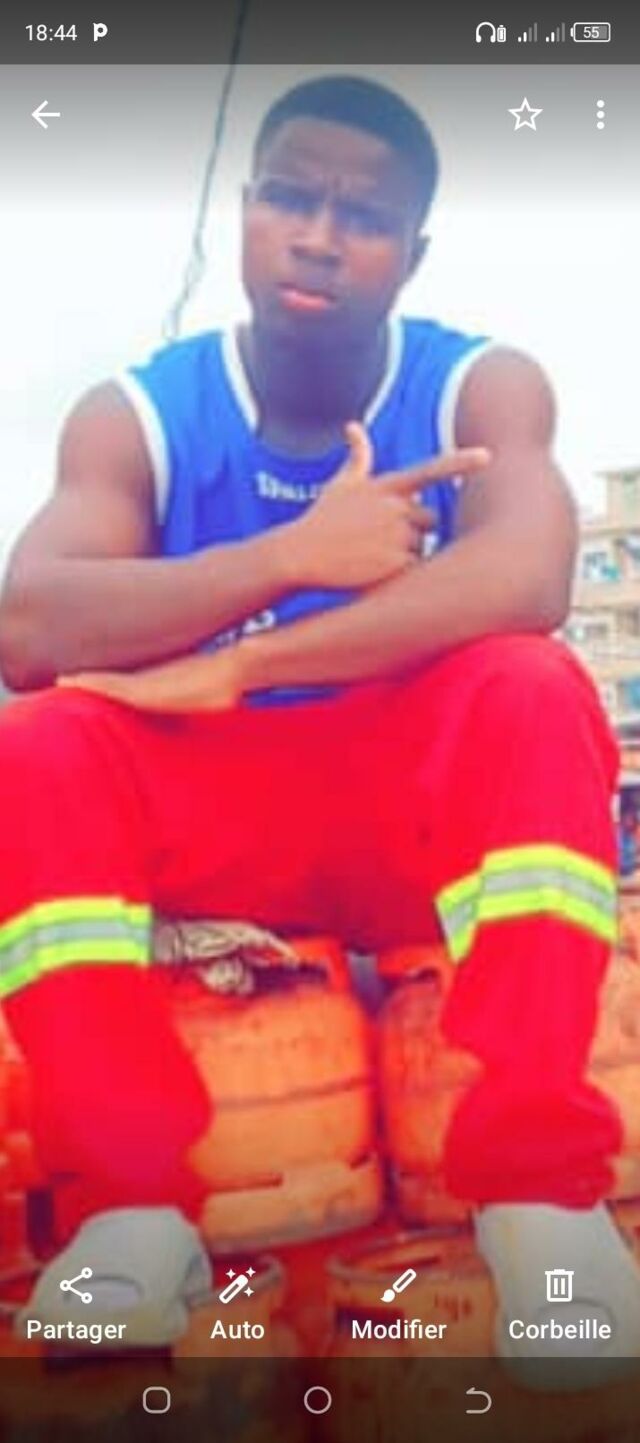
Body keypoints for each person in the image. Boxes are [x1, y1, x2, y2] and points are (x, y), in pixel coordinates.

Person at [0, 73, 637, 1383]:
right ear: (243, 211)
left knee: (532, 685)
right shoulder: (138, 413)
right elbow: (30, 626)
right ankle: (129, 1212)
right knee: (39, 741)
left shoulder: (475, 386)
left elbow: (528, 581)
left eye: (364, 217)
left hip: (407, 828)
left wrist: (246, 663)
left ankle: (541, 1201)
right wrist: (293, 555)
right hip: (223, 830)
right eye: (289, 198)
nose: (318, 236)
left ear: (413, 251)